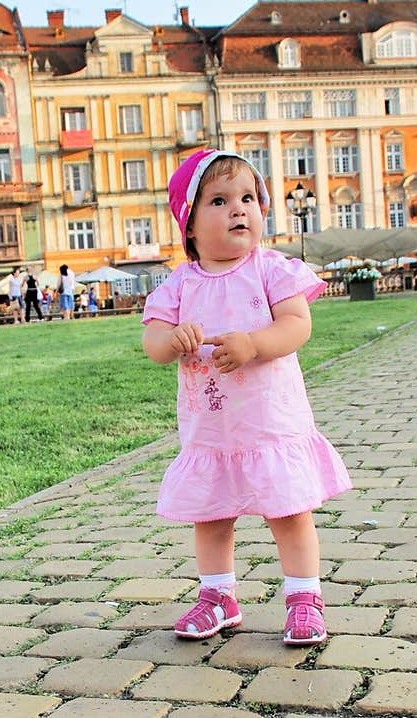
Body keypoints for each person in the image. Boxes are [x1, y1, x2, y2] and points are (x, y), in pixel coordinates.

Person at [142, 149, 352, 645]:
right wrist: (174, 341)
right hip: (211, 431)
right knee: (211, 517)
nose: (240, 209)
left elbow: (297, 325)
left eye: (248, 198)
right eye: (219, 200)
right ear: (189, 225)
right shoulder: (179, 284)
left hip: (270, 425)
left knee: (288, 512)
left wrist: (255, 343)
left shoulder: (271, 269)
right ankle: (217, 596)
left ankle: (304, 598)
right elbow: (152, 344)